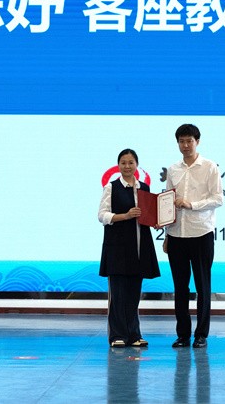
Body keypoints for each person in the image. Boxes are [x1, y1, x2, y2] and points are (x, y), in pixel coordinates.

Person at [162, 124, 223, 349]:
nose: (185, 145)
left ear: (197, 141)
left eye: (189, 141)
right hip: (177, 234)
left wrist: (191, 204)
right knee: (180, 288)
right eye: (182, 141)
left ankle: (201, 335)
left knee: (202, 286)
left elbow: (218, 199)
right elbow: (167, 204)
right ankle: (182, 335)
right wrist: (166, 235)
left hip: (201, 233)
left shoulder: (210, 167)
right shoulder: (173, 169)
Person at [98, 148, 160, 348]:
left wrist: (157, 220)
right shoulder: (111, 187)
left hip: (139, 249)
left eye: (131, 162)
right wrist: (125, 216)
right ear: (118, 165)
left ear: (137, 165)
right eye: (123, 162)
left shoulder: (144, 188)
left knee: (134, 294)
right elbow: (102, 215)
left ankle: (134, 335)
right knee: (118, 294)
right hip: (117, 249)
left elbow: (150, 214)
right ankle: (117, 335)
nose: (127, 166)